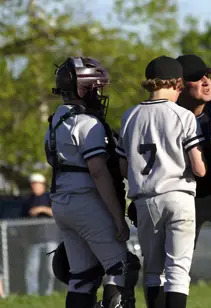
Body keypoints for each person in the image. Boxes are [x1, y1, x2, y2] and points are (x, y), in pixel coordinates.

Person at [45, 57, 140, 308]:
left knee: (82, 276)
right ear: (83, 89)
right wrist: (118, 217)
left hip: (61, 202)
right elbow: (98, 173)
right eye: (96, 88)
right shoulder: (88, 124)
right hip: (85, 201)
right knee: (121, 267)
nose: (99, 94)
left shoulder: (54, 123)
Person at [117, 56, 206, 308]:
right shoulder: (183, 115)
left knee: (153, 270)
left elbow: (124, 167)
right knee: (178, 270)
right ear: (178, 83)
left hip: (145, 199)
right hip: (178, 194)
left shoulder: (130, 115)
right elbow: (199, 169)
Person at [176, 54, 211, 247]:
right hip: (186, 197)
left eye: (207, 76)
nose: (206, 82)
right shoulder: (167, 114)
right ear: (179, 85)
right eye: (198, 77)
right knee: (179, 259)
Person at [22, 173, 57, 296]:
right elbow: (22, 221)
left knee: (50, 269)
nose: (35, 186)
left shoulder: (50, 197)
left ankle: (48, 293)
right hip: (33, 241)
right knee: (32, 269)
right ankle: (32, 294)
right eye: (33, 184)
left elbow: (57, 213)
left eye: (37, 184)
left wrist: (42, 209)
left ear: (42, 185)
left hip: (50, 239)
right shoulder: (27, 200)